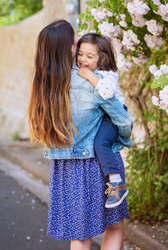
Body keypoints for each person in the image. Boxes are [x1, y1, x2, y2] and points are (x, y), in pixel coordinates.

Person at [28, 20, 133, 250]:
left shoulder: (42, 84)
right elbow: (124, 120)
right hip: (98, 164)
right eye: (76, 41)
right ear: (68, 48)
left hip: (65, 170)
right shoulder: (90, 80)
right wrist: (122, 139)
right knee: (114, 226)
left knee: (79, 236)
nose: (79, 44)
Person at [76, 33, 129, 209]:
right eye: (80, 54)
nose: (83, 59)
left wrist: (90, 76)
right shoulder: (86, 71)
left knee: (100, 143)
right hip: (102, 115)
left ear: (102, 59)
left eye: (89, 56)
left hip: (112, 117)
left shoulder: (107, 75)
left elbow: (107, 93)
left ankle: (116, 183)